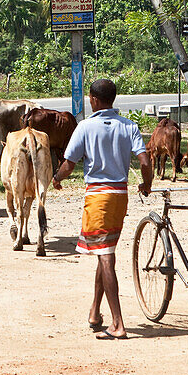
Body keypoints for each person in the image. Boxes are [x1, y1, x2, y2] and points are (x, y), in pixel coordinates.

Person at [52, 78, 152, 340]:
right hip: (121, 195)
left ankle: (118, 323)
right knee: (105, 251)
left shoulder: (85, 126)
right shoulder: (129, 125)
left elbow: (68, 164)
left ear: (93, 100)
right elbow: (144, 160)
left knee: (105, 256)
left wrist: (56, 178)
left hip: (98, 197)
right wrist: (147, 183)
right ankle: (95, 312)